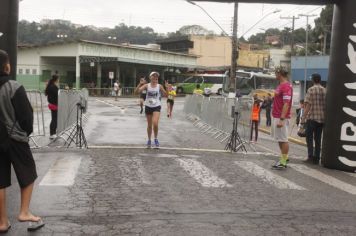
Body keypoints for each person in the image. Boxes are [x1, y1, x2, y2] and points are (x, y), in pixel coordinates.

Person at [0, 50, 45, 233]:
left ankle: (2, 222)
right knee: (28, 171)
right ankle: (24, 212)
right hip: (15, 138)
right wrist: (26, 131)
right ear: (6, 65)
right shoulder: (13, 86)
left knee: (0, 180)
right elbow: (26, 116)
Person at [135, 71, 167, 148]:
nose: (155, 77)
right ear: (150, 78)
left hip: (156, 106)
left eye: (156, 76)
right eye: (153, 76)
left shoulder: (159, 86)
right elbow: (136, 92)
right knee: (149, 125)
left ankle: (155, 139)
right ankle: (149, 140)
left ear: (157, 78)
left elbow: (166, 95)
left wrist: (167, 87)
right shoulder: (147, 85)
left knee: (155, 123)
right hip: (148, 106)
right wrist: (140, 84)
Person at [300, 73, 326, 165]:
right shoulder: (325, 90)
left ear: (313, 80)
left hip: (312, 118)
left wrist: (303, 118)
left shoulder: (310, 90)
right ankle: (317, 158)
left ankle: (310, 156)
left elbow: (308, 105)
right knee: (318, 139)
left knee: (309, 138)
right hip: (322, 119)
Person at [271, 67, 293, 169]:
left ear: (280, 73)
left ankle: (283, 162)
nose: (275, 75)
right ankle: (284, 157)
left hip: (281, 117)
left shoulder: (286, 86)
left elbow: (286, 104)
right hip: (276, 115)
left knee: (283, 139)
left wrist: (282, 119)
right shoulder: (281, 85)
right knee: (280, 139)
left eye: (276, 73)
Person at [45, 74, 59, 139]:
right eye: (58, 79)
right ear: (56, 79)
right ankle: (52, 133)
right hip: (54, 105)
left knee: (54, 119)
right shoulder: (53, 87)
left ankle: (53, 133)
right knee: (54, 119)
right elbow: (57, 95)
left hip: (52, 104)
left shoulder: (51, 86)